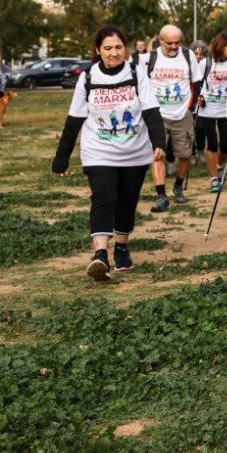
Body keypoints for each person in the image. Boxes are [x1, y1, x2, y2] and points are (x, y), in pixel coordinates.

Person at [52, 26, 166, 281]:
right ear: (97, 50)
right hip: (98, 150)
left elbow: (150, 110)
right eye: (107, 48)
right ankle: (100, 255)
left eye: (117, 47)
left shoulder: (136, 73)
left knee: (127, 200)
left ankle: (122, 247)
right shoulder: (89, 77)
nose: (113, 53)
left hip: (134, 151)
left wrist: (159, 141)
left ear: (125, 48)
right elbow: (74, 119)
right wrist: (62, 157)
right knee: (103, 198)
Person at [141, 25, 197, 212]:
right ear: (160, 40)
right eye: (169, 43)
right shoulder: (149, 59)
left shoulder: (188, 56)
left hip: (183, 114)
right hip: (158, 115)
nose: (174, 46)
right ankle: (161, 195)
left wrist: (191, 106)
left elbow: (196, 82)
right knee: (158, 154)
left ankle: (178, 186)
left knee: (185, 154)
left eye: (177, 42)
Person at [197, 33, 227, 192]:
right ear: (221, 47)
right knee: (212, 144)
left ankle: (220, 166)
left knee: (226, 145)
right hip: (208, 109)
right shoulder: (205, 64)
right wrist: (199, 98)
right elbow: (197, 84)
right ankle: (214, 178)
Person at [191, 40, 210, 163]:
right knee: (189, 129)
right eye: (196, 53)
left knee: (200, 128)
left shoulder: (206, 65)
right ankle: (191, 154)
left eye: (201, 54)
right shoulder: (188, 65)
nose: (198, 56)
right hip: (190, 100)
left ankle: (201, 151)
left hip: (202, 99)